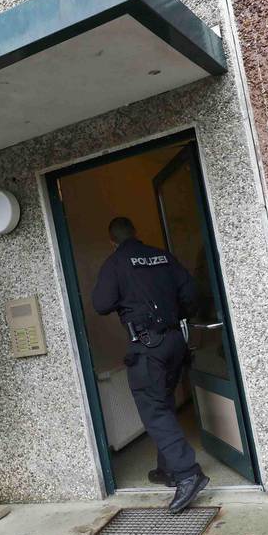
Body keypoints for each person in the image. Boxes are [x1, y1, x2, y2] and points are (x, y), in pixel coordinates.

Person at [92, 216, 209, 513]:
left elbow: (101, 303)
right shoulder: (162, 255)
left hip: (147, 346)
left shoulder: (116, 262)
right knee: (164, 401)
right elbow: (191, 292)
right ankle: (167, 468)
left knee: (154, 409)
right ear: (136, 233)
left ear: (112, 241)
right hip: (174, 341)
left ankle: (187, 473)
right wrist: (175, 314)